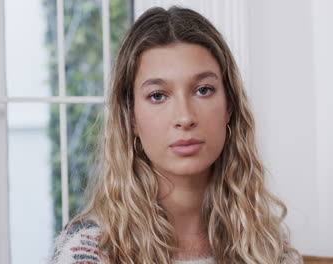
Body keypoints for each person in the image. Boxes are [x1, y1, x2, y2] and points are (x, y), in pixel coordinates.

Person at [49, 6, 302, 264]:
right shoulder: (88, 251)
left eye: (203, 90)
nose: (184, 117)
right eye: (157, 96)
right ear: (131, 117)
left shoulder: (267, 246)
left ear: (230, 106)